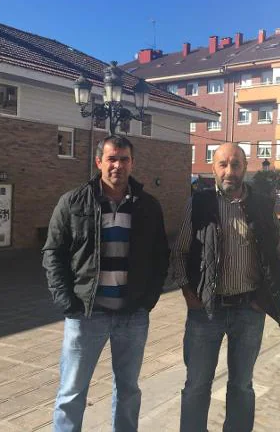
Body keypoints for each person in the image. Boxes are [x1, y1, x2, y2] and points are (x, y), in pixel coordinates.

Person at [42, 135, 169, 432]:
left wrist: (146, 300)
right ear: (99, 162)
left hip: (132, 315)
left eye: (124, 159)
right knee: (71, 392)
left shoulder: (148, 206)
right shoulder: (73, 202)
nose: (118, 165)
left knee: (128, 391)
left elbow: (160, 256)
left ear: (132, 163)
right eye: (112, 159)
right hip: (86, 315)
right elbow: (53, 254)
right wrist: (67, 302)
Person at [172, 142, 280, 432]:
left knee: (242, 385)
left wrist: (265, 298)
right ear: (213, 169)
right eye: (223, 164)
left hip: (249, 310)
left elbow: (276, 252)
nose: (230, 171)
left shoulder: (262, 204)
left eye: (236, 164)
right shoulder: (199, 204)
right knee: (197, 385)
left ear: (245, 168)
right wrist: (188, 293)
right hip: (205, 311)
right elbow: (180, 251)